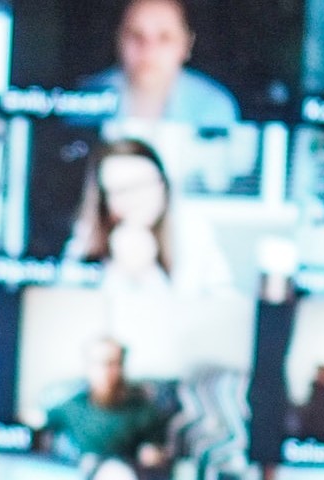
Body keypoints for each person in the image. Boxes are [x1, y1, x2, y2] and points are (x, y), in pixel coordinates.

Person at [64, 138, 231, 293]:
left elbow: (224, 308)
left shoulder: (194, 232)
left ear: (163, 184)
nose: (136, 199)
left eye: (143, 185)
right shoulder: (85, 239)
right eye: (121, 191)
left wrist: (146, 273)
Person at [77, 0, 239, 126]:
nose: (148, 50)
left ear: (186, 44)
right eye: (136, 35)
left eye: (164, 38)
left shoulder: (213, 106)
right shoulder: (83, 100)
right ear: (119, 40)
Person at [40, 337, 173, 472]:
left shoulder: (143, 411)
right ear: (88, 367)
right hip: (82, 476)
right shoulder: (72, 407)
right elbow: (38, 421)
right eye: (99, 363)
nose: (106, 371)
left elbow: (158, 449)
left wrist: (152, 455)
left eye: (113, 363)